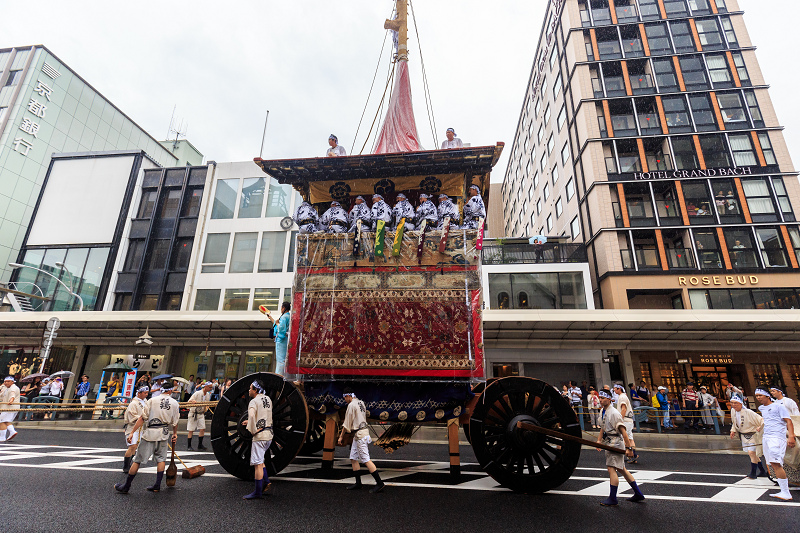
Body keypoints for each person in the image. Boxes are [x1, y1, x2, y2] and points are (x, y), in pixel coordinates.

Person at [115, 384, 180, 494]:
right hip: (164, 433)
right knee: (161, 459)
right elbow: (175, 421)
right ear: (170, 391)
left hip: (150, 433)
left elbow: (142, 418)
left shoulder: (152, 400)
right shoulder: (174, 403)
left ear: (161, 390)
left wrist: (132, 432)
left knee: (137, 460)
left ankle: (127, 485)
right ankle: (157, 485)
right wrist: (174, 434)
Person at [596, 389, 645, 506]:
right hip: (609, 441)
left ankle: (613, 498)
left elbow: (623, 432)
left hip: (615, 442)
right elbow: (603, 427)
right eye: (600, 398)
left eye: (603, 398)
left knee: (611, 469)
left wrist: (629, 448)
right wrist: (599, 440)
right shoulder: (603, 411)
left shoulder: (614, 413)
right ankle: (638, 493)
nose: (601, 400)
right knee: (621, 469)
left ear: (609, 399)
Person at [339, 388, 384, 493]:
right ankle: (358, 483)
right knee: (353, 458)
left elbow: (346, 423)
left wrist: (341, 436)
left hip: (360, 435)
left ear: (348, 396)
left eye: (345, 397)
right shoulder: (361, 402)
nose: (345, 400)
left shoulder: (351, 405)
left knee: (366, 459)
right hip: (360, 433)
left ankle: (380, 483)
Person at [755, 386, 796, 501]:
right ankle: (783, 490)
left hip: (777, 437)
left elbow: (788, 421)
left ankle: (786, 492)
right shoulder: (761, 408)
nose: (758, 398)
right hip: (767, 437)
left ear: (767, 395)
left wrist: (791, 436)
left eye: (760, 395)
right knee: (773, 464)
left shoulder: (778, 406)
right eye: (757, 396)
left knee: (776, 463)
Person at [242, 379, 273, 499]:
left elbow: (251, 414)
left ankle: (258, 492)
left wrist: (253, 429)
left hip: (259, 437)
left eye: (250, 388)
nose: (249, 390)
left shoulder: (254, 401)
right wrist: (250, 421)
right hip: (269, 435)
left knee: (257, 464)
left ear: (255, 390)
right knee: (261, 461)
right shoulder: (268, 399)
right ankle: (266, 481)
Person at [728, 393, 767, 479]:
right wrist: (733, 430)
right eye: (732, 403)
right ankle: (762, 471)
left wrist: (760, 427)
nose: (733, 405)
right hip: (744, 435)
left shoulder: (748, 412)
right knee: (753, 455)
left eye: (736, 403)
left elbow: (761, 420)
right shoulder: (733, 411)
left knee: (751, 453)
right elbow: (734, 422)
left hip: (753, 435)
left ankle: (753, 473)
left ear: (741, 404)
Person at [122, 386, 149, 473]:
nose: (146, 394)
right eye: (145, 393)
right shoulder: (133, 403)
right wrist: (142, 418)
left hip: (142, 427)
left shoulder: (146, 401)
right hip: (133, 426)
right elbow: (131, 415)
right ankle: (126, 466)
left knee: (136, 446)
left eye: (147, 393)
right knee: (132, 446)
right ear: (139, 393)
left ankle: (130, 464)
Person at [265, 302, 291, 377]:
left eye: (281, 308)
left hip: (281, 340)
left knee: (280, 360)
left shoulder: (284, 317)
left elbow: (281, 329)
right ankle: (285, 376)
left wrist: (277, 323)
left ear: (283, 308)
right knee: (285, 359)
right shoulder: (289, 316)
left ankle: (279, 376)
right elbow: (278, 325)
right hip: (286, 340)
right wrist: (271, 318)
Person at [614, 383, 638, 463]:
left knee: (625, 438)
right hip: (628, 420)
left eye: (615, 388)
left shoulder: (622, 397)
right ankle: (633, 455)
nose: (614, 390)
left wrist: (620, 420)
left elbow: (623, 409)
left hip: (626, 420)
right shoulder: (623, 396)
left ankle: (631, 455)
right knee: (630, 438)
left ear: (619, 389)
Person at [187, 381, 213, 451]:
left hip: (201, 413)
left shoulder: (207, 394)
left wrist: (207, 408)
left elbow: (207, 403)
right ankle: (189, 445)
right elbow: (189, 401)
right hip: (193, 413)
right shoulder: (197, 393)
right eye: (210, 387)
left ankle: (200, 445)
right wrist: (192, 402)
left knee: (202, 428)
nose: (211, 388)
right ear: (206, 387)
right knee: (191, 429)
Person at [0, 377, 21, 442]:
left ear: (12, 382)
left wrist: (11, 401)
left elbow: (12, 395)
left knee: (1, 421)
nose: (6, 383)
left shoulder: (13, 388)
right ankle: (12, 431)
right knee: (6, 421)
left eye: (8, 381)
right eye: (5, 381)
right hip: (7, 407)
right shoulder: (6, 387)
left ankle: (2, 437)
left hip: (9, 408)